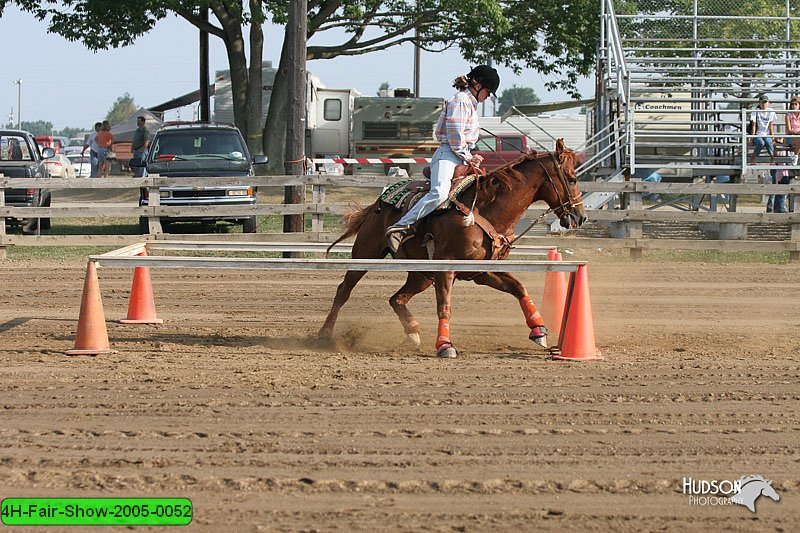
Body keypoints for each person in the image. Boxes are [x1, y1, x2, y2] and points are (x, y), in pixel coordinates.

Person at [385, 65, 500, 253]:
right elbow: (455, 137)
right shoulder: (461, 101)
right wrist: (469, 157)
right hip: (449, 155)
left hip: (460, 156)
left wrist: (472, 155)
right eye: (488, 91)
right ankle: (400, 228)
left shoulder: (469, 104)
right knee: (439, 193)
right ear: (477, 85)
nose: (488, 96)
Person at [749, 94, 783, 212]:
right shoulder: (756, 111)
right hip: (759, 133)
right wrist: (752, 137)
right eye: (763, 102)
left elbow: (771, 126)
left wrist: (773, 137)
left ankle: (773, 158)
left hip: (766, 133)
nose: (764, 104)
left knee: (769, 142)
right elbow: (754, 125)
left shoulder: (771, 111)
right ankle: (753, 157)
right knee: (761, 143)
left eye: (766, 102)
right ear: (759, 103)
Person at [785, 95, 800, 166]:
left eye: (796, 104)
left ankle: (795, 156)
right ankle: (795, 156)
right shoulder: (788, 115)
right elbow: (789, 130)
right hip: (791, 136)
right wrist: (797, 132)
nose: (793, 106)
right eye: (792, 104)